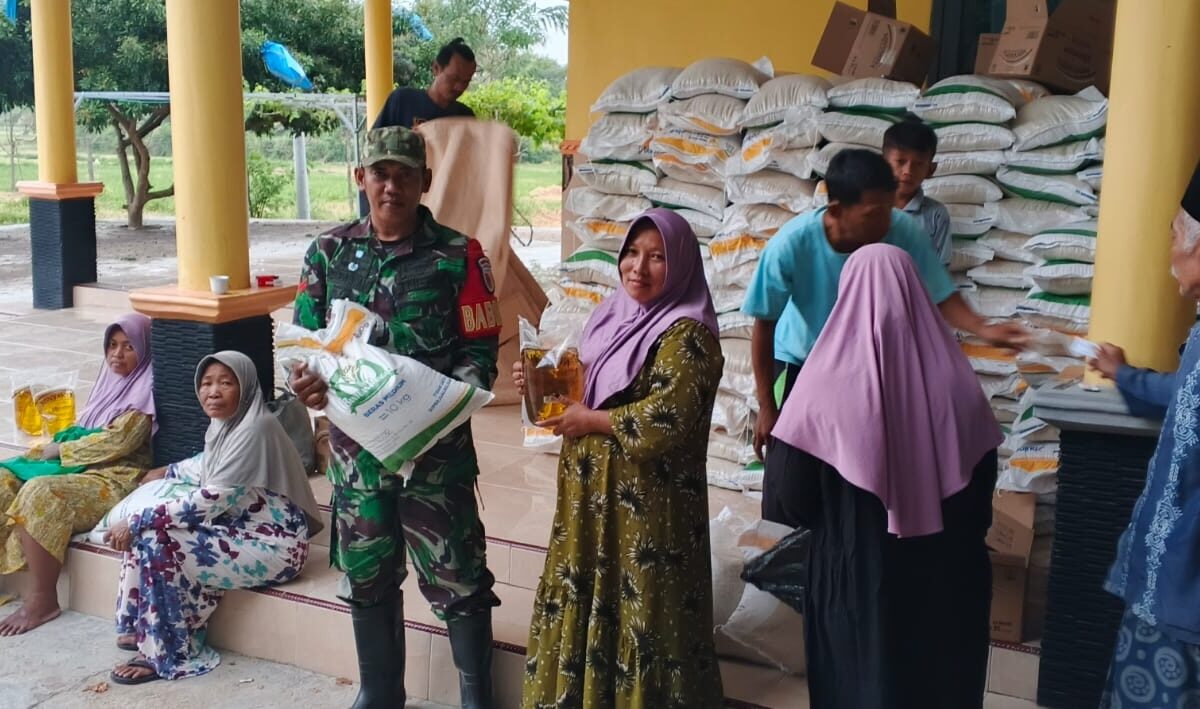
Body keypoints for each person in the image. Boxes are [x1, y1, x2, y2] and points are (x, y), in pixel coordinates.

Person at [290, 125, 501, 709]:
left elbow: (481, 351)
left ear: (424, 181)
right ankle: (380, 693)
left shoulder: (459, 256)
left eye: (405, 175)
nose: (391, 186)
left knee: (459, 577)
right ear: (361, 178)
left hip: (435, 456)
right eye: (380, 174)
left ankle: (476, 697)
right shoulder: (328, 253)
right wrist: (305, 383)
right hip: (357, 460)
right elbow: (302, 345)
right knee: (366, 574)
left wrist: (450, 402)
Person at [770, 244, 1002, 708]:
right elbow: (980, 504)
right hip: (948, 578)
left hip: (854, 576)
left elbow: (790, 500)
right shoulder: (960, 385)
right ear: (919, 295)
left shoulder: (819, 389)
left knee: (858, 685)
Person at [741, 149, 1026, 526]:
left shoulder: (900, 229)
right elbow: (764, 324)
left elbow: (941, 293)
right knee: (789, 476)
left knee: (869, 468)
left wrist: (985, 329)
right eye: (874, 213)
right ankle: (787, 551)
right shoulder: (791, 244)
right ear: (837, 209)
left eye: (889, 209)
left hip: (872, 366)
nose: (886, 221)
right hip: (803, 364)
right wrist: (767, 405)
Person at [513, 208, 726, 708]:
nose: (638, 267)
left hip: (648, 514)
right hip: (590, 504)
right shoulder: (613, 316)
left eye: (657, 257)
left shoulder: (688, 335)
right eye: (632, 252)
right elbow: (591, 386)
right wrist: (541, 383)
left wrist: (590, 421)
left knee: (644, 611)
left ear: (681, 265)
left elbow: (665, 417)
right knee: (590, 596)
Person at [107, 351, 322, 684]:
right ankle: (139, 625)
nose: (213, 392)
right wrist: (169, 470)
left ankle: (168, 652)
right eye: (206, 383)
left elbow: (212, 499)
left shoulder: (255, 428)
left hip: (276, 546)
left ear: (246, 387)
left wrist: (137, 519)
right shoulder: (226, 425)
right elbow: (207, 464)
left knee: (156, 536)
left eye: (226, 383)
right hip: (240, 532)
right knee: (150, 532)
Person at [1090, 160, 1200, 708]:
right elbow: (1186, 395)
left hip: (1185, 579)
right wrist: (1124, 375)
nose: (1170, 253)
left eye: (1176, 236)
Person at [0, 313, 156, 636]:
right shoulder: (107, 385)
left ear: (144, 350)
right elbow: (81, 431)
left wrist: (62, 450)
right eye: (112, 345)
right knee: (4, 478)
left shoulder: (145, 391)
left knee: (40, 492)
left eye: (129, 347)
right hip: (80, 467)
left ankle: (43, 599)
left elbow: (119, 441)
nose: (117, 354)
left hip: (113, 478)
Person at [883, 119, 952, 267]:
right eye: (900, 161)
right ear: (882, 164)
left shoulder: (936, 215)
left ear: (930, 170)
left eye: (919, 164)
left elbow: (940, 268)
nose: (908, 171)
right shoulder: (866, 207)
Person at [372, 37, 477, 129]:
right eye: (454, 78)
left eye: (466, 81)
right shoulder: (402, 101)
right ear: (436, 68)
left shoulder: (466, 117)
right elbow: (375, 142)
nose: (460, 87)